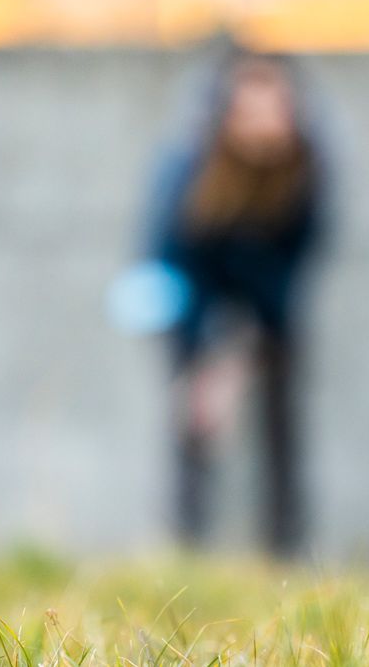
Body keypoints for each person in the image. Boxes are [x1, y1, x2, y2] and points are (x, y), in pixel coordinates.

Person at [123, 47, 328, 556]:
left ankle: (285, 547)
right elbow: (171, 261)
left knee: (281, 426)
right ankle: (184, 541)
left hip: (270, 309)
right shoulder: (186, 170)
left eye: (275, 106)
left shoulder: (308, 169)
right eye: (250, 109)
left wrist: (244, 348)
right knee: (192, 417)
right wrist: (210, 356)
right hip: (196, 305)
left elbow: (294, 266)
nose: (264, 123)